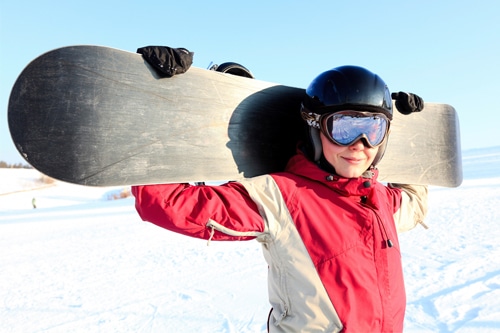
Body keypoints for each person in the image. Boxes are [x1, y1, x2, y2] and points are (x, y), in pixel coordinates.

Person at [132, 65, 428, 332]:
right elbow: (167, 202)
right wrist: (165, 106)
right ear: (315, 128)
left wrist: (412, 133)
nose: (360, 144)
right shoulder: (280, 196)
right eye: (344, 128)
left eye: (373, 129)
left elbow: (416, 204)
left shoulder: (380, 200)